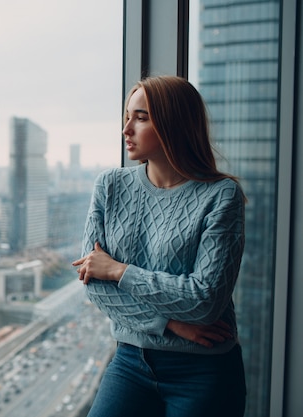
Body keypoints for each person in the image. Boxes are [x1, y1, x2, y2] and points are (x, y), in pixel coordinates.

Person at [72, 75, 246, 417]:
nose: (127, 130)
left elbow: (206, 300)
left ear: (174, 124)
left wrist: (120, 270)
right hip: (130, 360)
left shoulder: (221, 195)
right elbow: (95, 286)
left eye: (141, 118)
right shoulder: (110, 186)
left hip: (202, 372)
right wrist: (169, 324)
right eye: (126, 117)